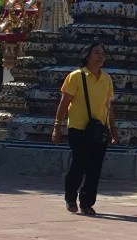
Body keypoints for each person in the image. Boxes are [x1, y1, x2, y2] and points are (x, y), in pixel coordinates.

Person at [50, 42, 119, 216]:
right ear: (87, 56)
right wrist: (57, 126)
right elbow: (64, 103)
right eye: (97, 53)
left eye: (103, 54)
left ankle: (87, 203)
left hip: (100, 130)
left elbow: (108, 106)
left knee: (94, 168)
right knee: (79, 164)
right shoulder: (76, 76)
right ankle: (70, 197)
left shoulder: (106, 79)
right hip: (79, 128)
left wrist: (113, 127)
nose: (100, 56)